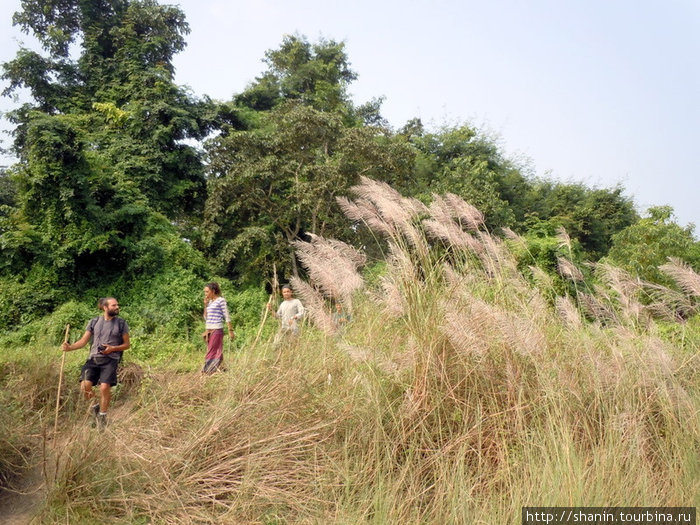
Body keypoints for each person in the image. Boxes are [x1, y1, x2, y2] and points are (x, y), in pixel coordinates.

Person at [62, 297, 130, 431]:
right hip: (93, 359)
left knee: (104, 387)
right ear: (105, 307)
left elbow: (127, 345)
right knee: (84, 387)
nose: (117, 307)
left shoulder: (121, 323)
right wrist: (69, 348)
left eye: (117, 305)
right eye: (114, 305)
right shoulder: (94, 322)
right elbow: (82, 342)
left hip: (111, 359)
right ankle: (96, 410)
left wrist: (112, 348)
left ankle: (103, 417)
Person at [202, 282, 235, 374]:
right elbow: (205, 318)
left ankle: (207, 371)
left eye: (207, 292)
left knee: (212, 351)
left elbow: (226, 316)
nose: (205, 294)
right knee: (215, 350)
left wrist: (230, 330)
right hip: (209, 330)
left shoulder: (221, 300)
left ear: (213, 291)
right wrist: (205, 305)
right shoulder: (210, 302)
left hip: (217, 329)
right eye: (205, 292)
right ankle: (222, 369)